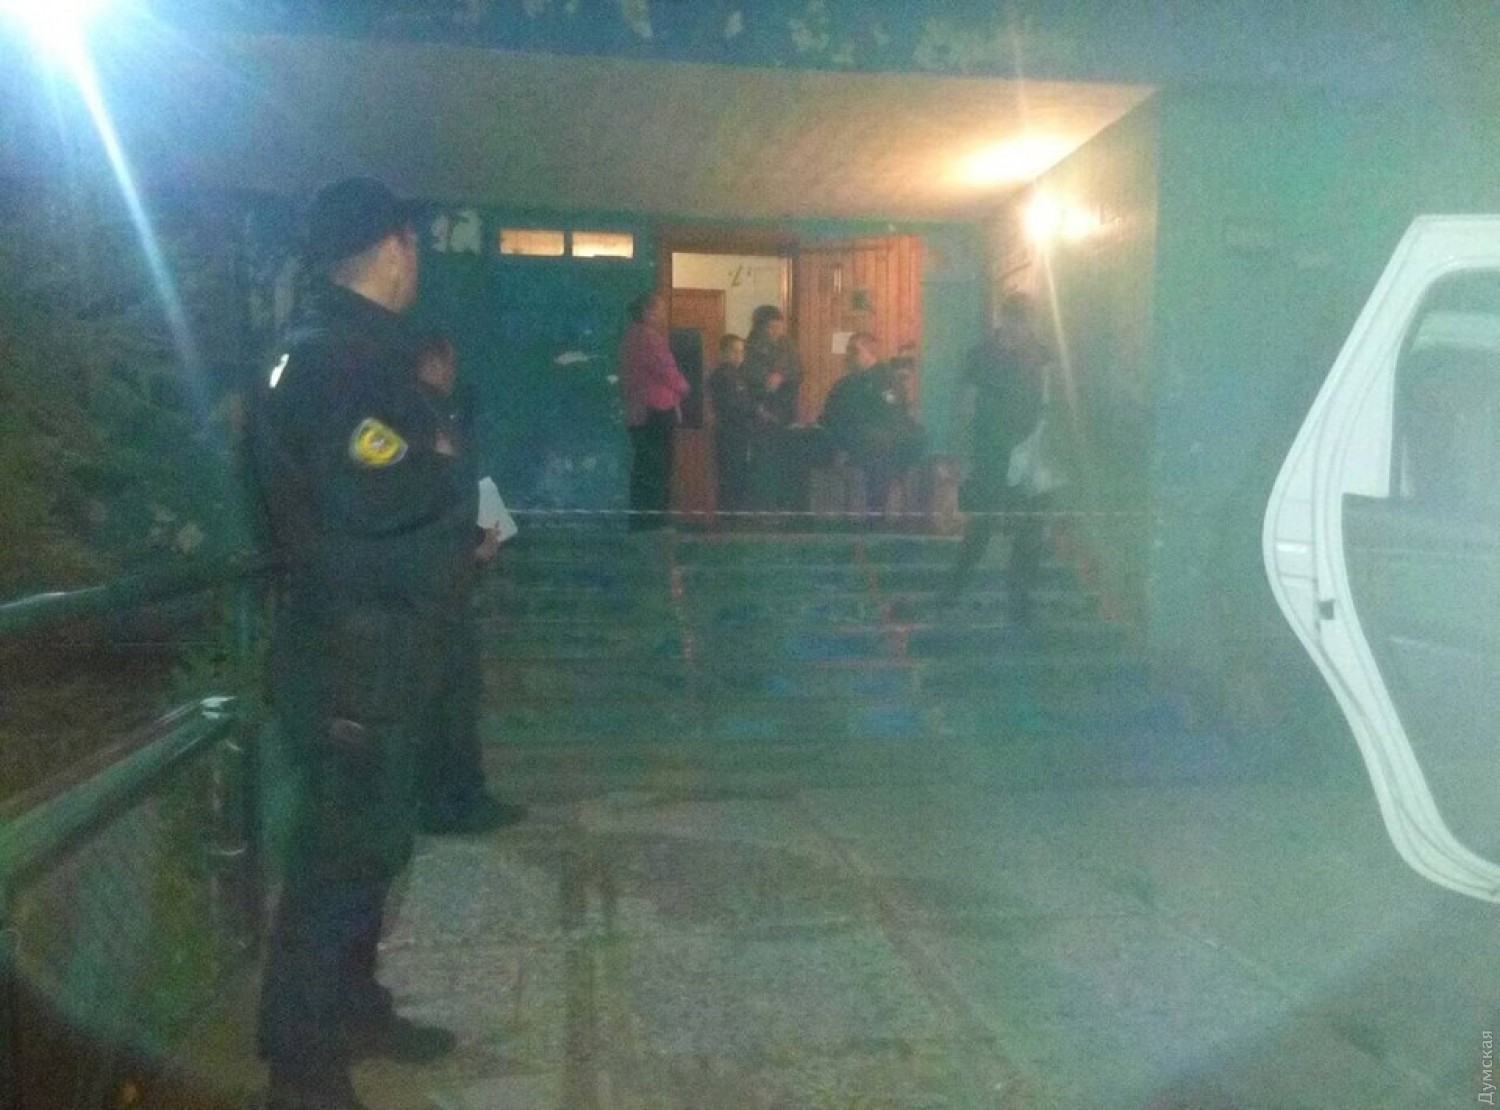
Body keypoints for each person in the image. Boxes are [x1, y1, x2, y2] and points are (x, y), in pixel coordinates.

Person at [247, 177, 463, 1110]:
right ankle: (301, 1071)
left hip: (364, 644)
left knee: (368, 850)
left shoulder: (331, 350)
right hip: (352, 649)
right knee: (334, 863)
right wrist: (445, 481)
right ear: (394, 246)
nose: (420, 263)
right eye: (416, 246)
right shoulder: (339, 363)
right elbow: (381, 503)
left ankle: (352, 1011)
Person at [411, 334, 526, 835]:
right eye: (448, 363)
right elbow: (446, 492)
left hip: (440, 576)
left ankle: (454, 797)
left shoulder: (429, 414)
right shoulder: (425, 417)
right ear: (435, 363)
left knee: (451, 696)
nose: (452, 373)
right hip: (439, 580)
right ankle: (454, 801)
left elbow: (464, 483)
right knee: (450, 698)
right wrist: (474, 543)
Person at [937, 291, 1051, 618]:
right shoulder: (982, 355)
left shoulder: (1040, 353)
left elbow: (1047, 400)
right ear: (1006, 320)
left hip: (1028, 452)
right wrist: (961, 456)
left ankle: (1019, 597)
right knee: (982, 525)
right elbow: (966, 406)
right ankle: (953, 590)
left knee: (1031, 526)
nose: (1023, 330)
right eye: (1019, 322)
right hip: (990, 451)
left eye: (1027, 323)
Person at [819, 332, 927, 514]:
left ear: (870, 352)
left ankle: (876, 510)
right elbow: (829, 415)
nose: (849, 356)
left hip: (880, 439)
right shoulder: (844, 384)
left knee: (878, 446)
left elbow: (892, 413)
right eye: (848, 350)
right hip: (850, 436)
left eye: (854, 351)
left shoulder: (886, 379)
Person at [620, 291, 689, 530]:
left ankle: (643, 522)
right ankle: (654, 523)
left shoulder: (631, 336)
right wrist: (684, 387)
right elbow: (667, 371)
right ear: (647, 312)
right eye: (659, 309)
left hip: (640, 412)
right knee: (658, 468)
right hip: (656, 411)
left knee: (645, 467)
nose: (663, 314)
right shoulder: (648, 338)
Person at [742, 304, 802, 509]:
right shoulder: (750, 347)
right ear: (762, 327)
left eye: (779, 326)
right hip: (762, 413)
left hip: (786, 410)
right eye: (772, 327)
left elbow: (799, 370)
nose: (777, 331)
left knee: (785, 460)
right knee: (764, 462)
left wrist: (781, 374)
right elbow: (748, 376)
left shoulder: (787, 346)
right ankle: (764, 508)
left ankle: (782, 507)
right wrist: (766, 379)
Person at [708, 333, 763, 515]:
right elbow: (735, 404)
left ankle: (735, 514)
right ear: (724, 352)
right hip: (730, 432)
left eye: (741, 351)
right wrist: (756, 411)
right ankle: (729, 517)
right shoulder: (722, 375)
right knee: (731, 475)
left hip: (740, 431)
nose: (739, 356)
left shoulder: (738, 374)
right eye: (734, 351)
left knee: (738, 473)